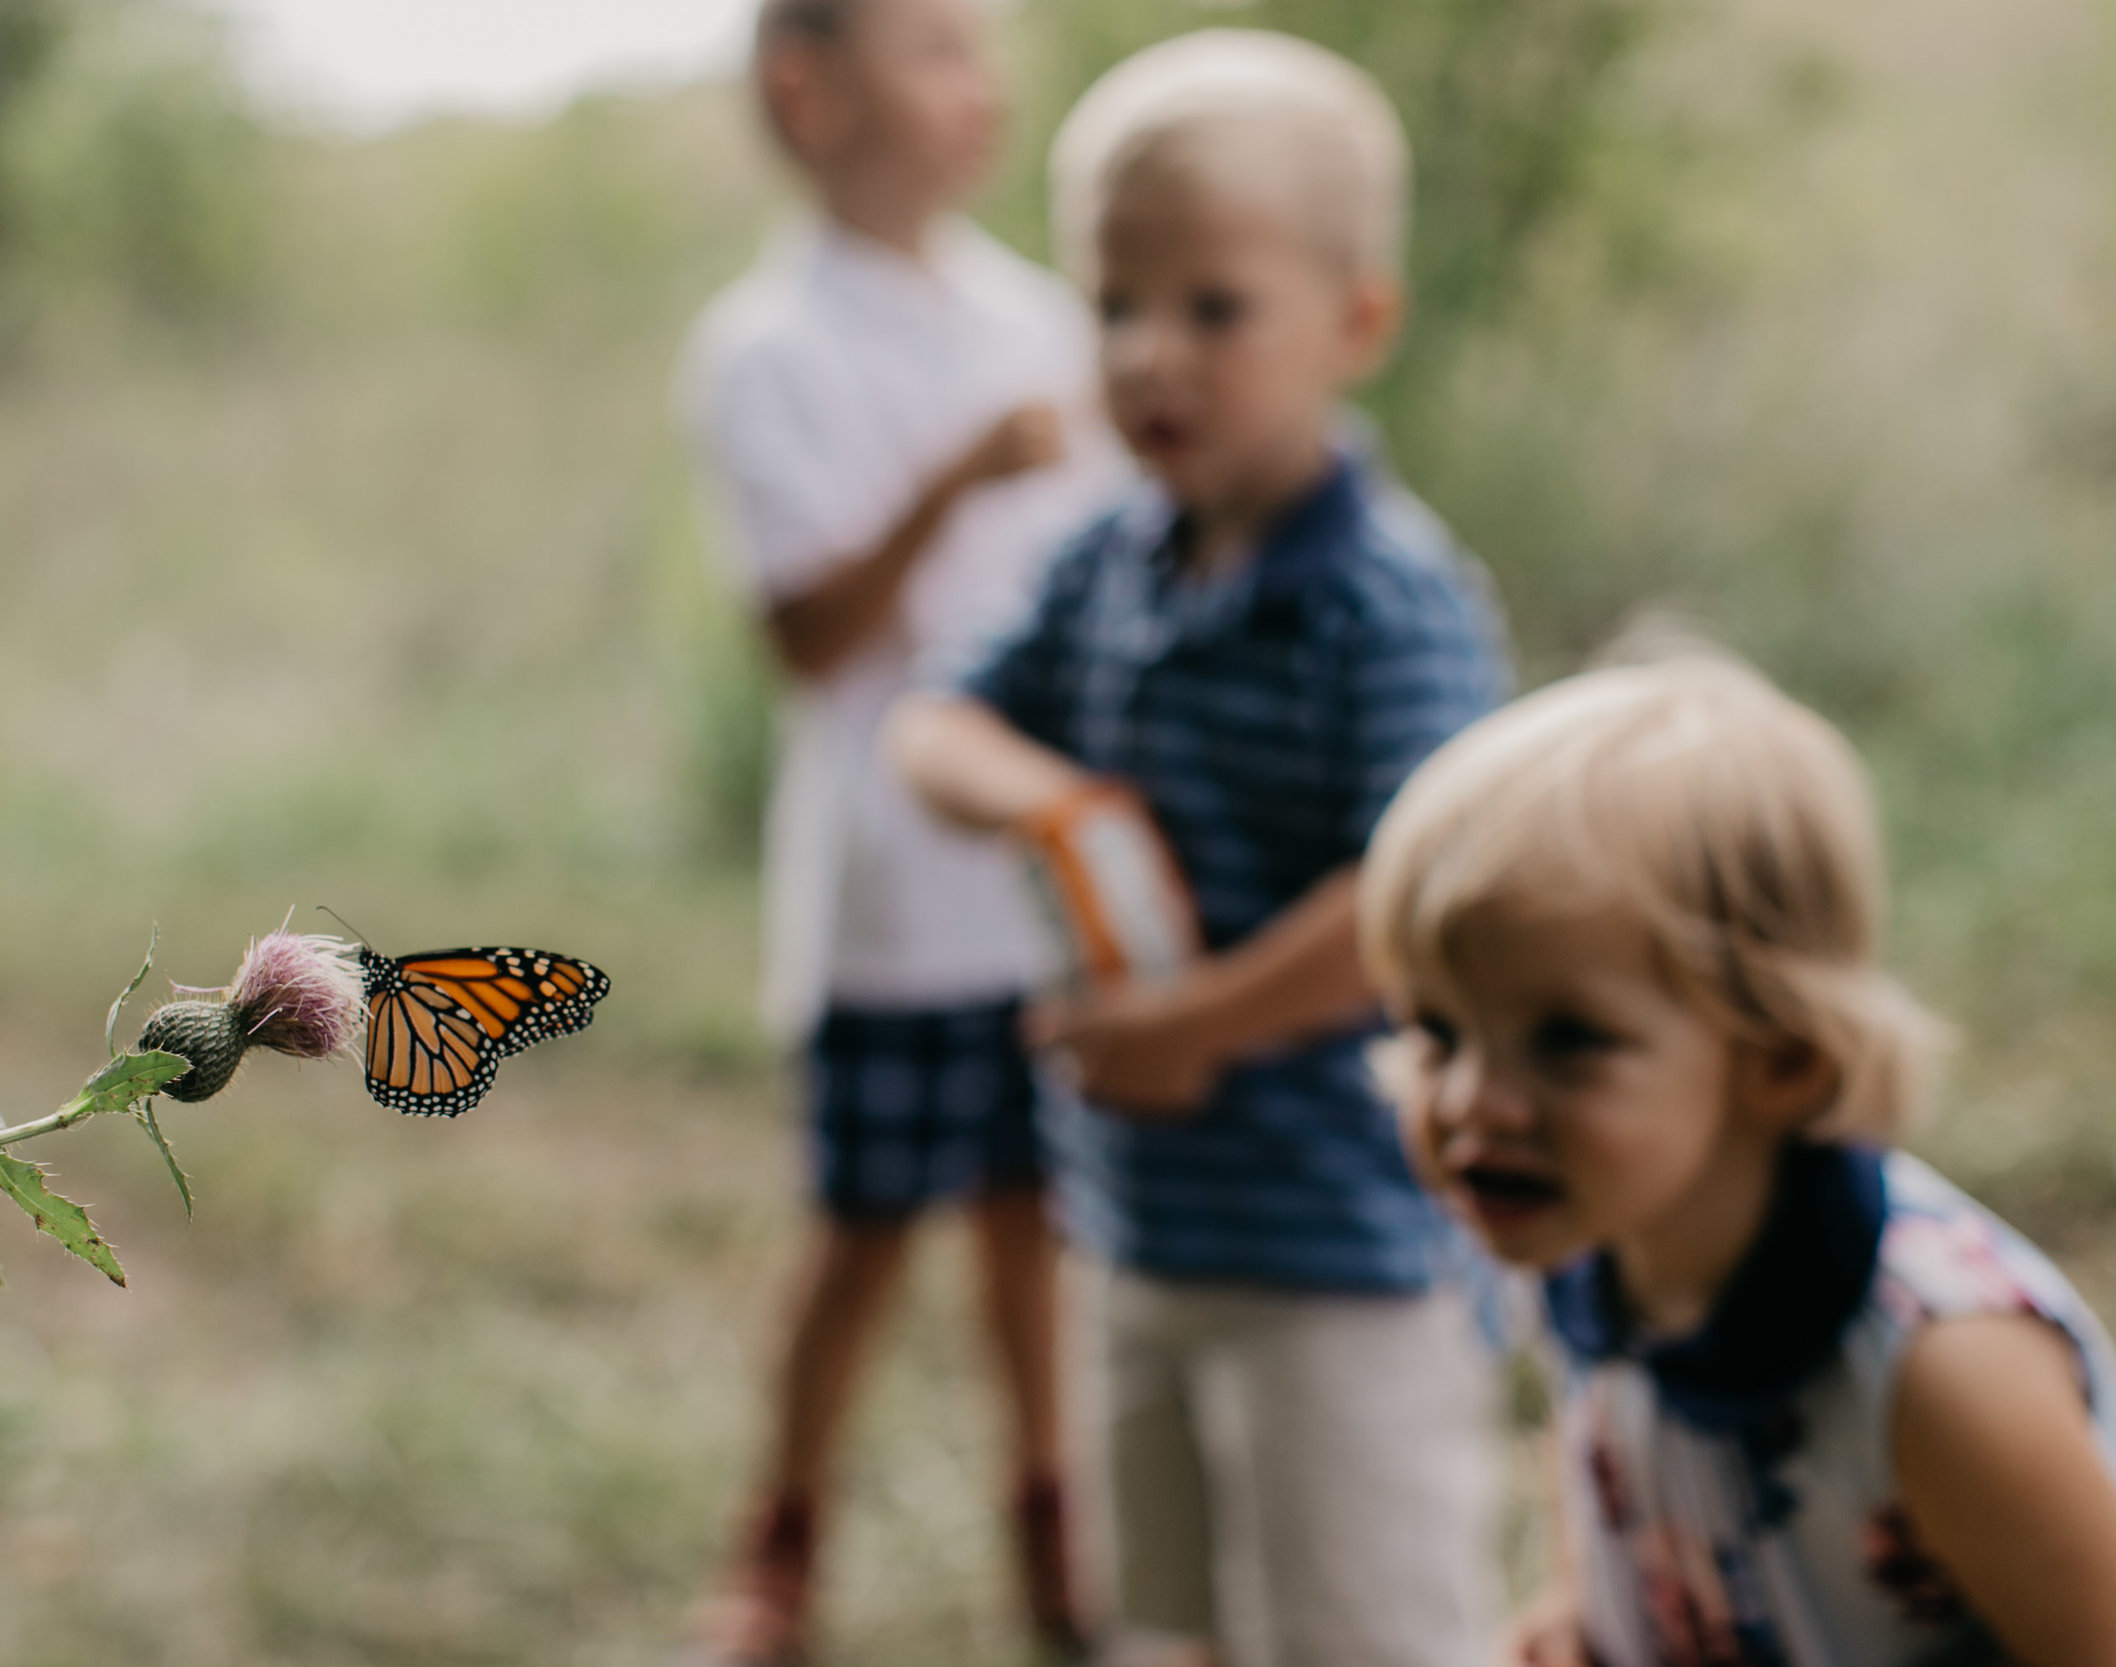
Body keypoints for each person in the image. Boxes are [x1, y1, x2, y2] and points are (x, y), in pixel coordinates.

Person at [888, 30, 1510, 1667]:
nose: (1152, 353)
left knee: (1356, 1623)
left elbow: (1418, 893)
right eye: (1112, 305)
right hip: (1139, 1230)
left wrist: (1198, 1020)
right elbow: (931, 722)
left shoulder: (1383, 595)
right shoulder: (1108, 557)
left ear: (1357, 320)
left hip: (1339, 1258)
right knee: (1163, 1618)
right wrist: (1052, 800)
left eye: (1214, 307)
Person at [1358, 652, 2116, 1666]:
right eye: (1435, 1029)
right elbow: (1613, 1476)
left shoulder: (1940, 1367)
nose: (1464, 1100)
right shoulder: (1590, 1236)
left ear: (1781, 1060)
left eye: (1568, 1038)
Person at [676, 0, 1127, 1660]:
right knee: (862, 1232)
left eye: (979, 45)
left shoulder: (1045, 319)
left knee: (1035, 1226)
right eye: (933, 44)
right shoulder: (768, 346)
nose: (977, 83)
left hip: (1042, 878)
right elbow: (807, 635)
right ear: (810, 92)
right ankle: (778, 1544)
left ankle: (1053, 1520)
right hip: (888, 889)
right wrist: (957, 479)